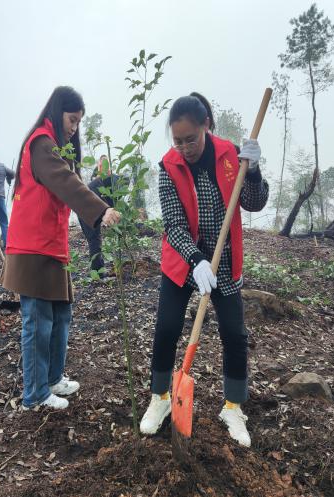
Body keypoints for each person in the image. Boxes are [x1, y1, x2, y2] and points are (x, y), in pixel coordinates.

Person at [139, 93, 269, 447]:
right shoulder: (168, 166)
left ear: (206, 126)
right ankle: (160, 399)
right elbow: (174, 225)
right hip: (184, 262)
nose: (184, 147)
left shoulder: (231, 156)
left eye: (190, 139)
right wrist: (195, 259)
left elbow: (254, 203)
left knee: (235, 334)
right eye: (177, 140)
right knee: (166, 327)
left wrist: (254, 171)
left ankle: (233, 406)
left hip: (224, 262)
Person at [2, 86, 121, 411]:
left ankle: (52, 379)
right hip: (33, 246)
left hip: (53, 245)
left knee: (60, 316)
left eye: (78, 121)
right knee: (38, 321)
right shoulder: (41, 143)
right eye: (71, 119)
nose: (74, 127)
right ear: (57, 113)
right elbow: (66, 183)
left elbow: (67, 182)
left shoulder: (56, 146)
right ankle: (35, 394)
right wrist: (100, 210)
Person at [79, 155, 123, 276]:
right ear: (99, 167)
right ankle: (98, 274)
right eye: (103, 165)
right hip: (84, 207)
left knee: (94, 240)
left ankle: (96, 271)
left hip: (82, 206)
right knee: (94, 239)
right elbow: (112, 203)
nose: (106, 169)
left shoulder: (108, 181)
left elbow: (111, 202)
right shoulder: (105, 181)